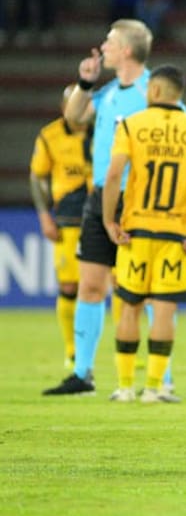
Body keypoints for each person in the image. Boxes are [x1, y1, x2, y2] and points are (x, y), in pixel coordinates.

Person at [44, 19, 158, 397]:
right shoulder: (108, 93)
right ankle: (82, 374)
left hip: (140, 199)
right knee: (91, 286)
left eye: (109, 42)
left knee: (143, 290)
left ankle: (161, 377)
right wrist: (85, 83)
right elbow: (73, 118)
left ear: (126, 50)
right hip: (100, 197)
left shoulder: (152, 91)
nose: (103, 47)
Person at [103, 65, 186, 402]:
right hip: (176, 235)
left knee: (129, 308)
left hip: (136, 231)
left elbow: (113, 177)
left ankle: (125, 387)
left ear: (153, 91)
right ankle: (154, 388)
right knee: (164, 310)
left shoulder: (131, 126)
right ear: (178, 94)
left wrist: (110, 222)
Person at [30, 86, 92, 369]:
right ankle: (72, 350)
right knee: (69, 285)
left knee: (118, 285)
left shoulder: (104, 131)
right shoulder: (50, 135)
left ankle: (126, 352)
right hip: (68, 219)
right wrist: (44, 215)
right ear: (64, 106)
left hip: (102, 216)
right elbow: (37, 176)